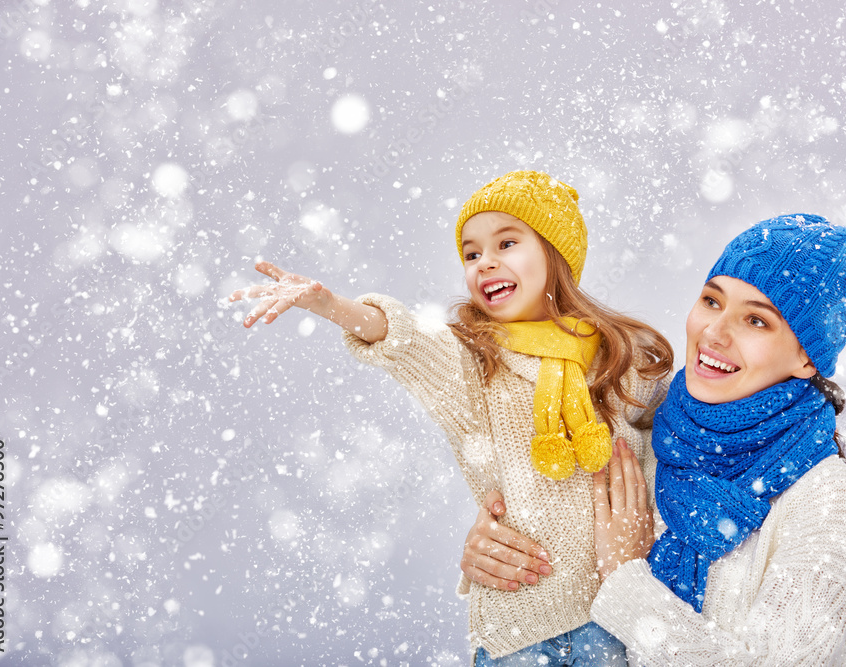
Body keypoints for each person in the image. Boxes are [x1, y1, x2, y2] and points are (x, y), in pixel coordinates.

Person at [229, 171, 674, 664]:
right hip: (521, 629)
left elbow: (684, 444)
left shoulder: (621, 359)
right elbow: (402, 339)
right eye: (472, 253)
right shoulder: (474, 362)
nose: (487, 262)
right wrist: (331, 305)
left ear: (556, 254)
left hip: (620, 616)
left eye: (507, 242)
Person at [461, 214, 846, 665]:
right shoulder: (644, 427)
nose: (714, 333)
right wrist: (498, 550)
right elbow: (562, 542)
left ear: (807, 359)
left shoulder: (828, 501)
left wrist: (625, 577)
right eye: (712, 301)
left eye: (756, 321)